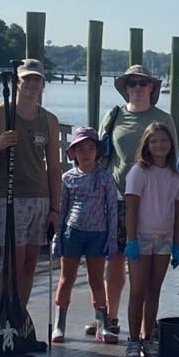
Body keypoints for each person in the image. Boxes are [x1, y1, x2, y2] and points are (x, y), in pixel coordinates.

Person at [0, 59, 62, 355]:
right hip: (10, 197)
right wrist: (0, 144)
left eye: (37, 80)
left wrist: (55, 207)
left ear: (43, 84)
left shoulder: (48, 119)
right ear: (18, 82)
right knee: (11, 266)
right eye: (27, 79)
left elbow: (54, 168)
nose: (32, 85)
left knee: (28, 267)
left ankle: (17, 323)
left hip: (40, 198)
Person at [100, 64, 177, 340]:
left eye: (143, 83)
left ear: (152, 87)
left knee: (145, 273)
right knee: (116, 258)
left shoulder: (163, 118)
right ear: (125, 88)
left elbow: (172, 162)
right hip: (118, 197)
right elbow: (103, 156)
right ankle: (111, 316)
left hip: (152, 203)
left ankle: (147, 325)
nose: (137, 88)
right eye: (132, 83)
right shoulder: (114, 115)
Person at [123, 122, 179, 357]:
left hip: (164, 239)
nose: (160, 145)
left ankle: (148, 339)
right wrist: (131, 240)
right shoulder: (139, 171)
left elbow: (178, 211)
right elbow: (131, 208)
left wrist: (178, 243)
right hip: (141, 238)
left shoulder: (175, 175)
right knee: (137, 291)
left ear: (171, 144)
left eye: (164, 141)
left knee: (153, 291)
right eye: (154, 141)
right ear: (147, 144)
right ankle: (133, 340)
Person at [51, 127, 119, 345]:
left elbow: (112, 209)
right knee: (66, 278)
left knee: (96, 280)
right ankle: (59, 323)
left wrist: (112, 238)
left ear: (97, 151)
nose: (86, 153)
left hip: (98, 234)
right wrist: (58, 236)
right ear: (74, 153)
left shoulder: (106, 178)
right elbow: (62, 209)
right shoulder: (68, 178)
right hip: (73, 232)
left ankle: (103, 324)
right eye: (81, 149)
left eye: (90, 148)